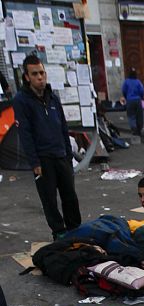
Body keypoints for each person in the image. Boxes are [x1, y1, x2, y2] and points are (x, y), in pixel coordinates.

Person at [13, 54, 81, 239]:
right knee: (49, 200)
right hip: (43, 159)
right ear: (27, 77)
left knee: (70, 197)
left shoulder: (53, 98)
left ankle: (75, 230)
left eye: (42, 73)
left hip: (61, 155)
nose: (40, 77)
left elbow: (63, 127)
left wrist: (68, 154)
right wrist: (34, 162)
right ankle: (59, 232)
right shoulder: (22, 100)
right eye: (35, 74)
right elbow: (25, 134)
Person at [121, 67, 144, 136]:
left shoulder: (126, 82)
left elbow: (124, 90)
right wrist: (141, 97)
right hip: (137, 100)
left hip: (130, 100)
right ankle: (139, 129)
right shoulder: (138, 82)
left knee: (131, 116)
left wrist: (126, 97)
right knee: (139, 116)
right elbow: (142, 91)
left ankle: (134, 128)